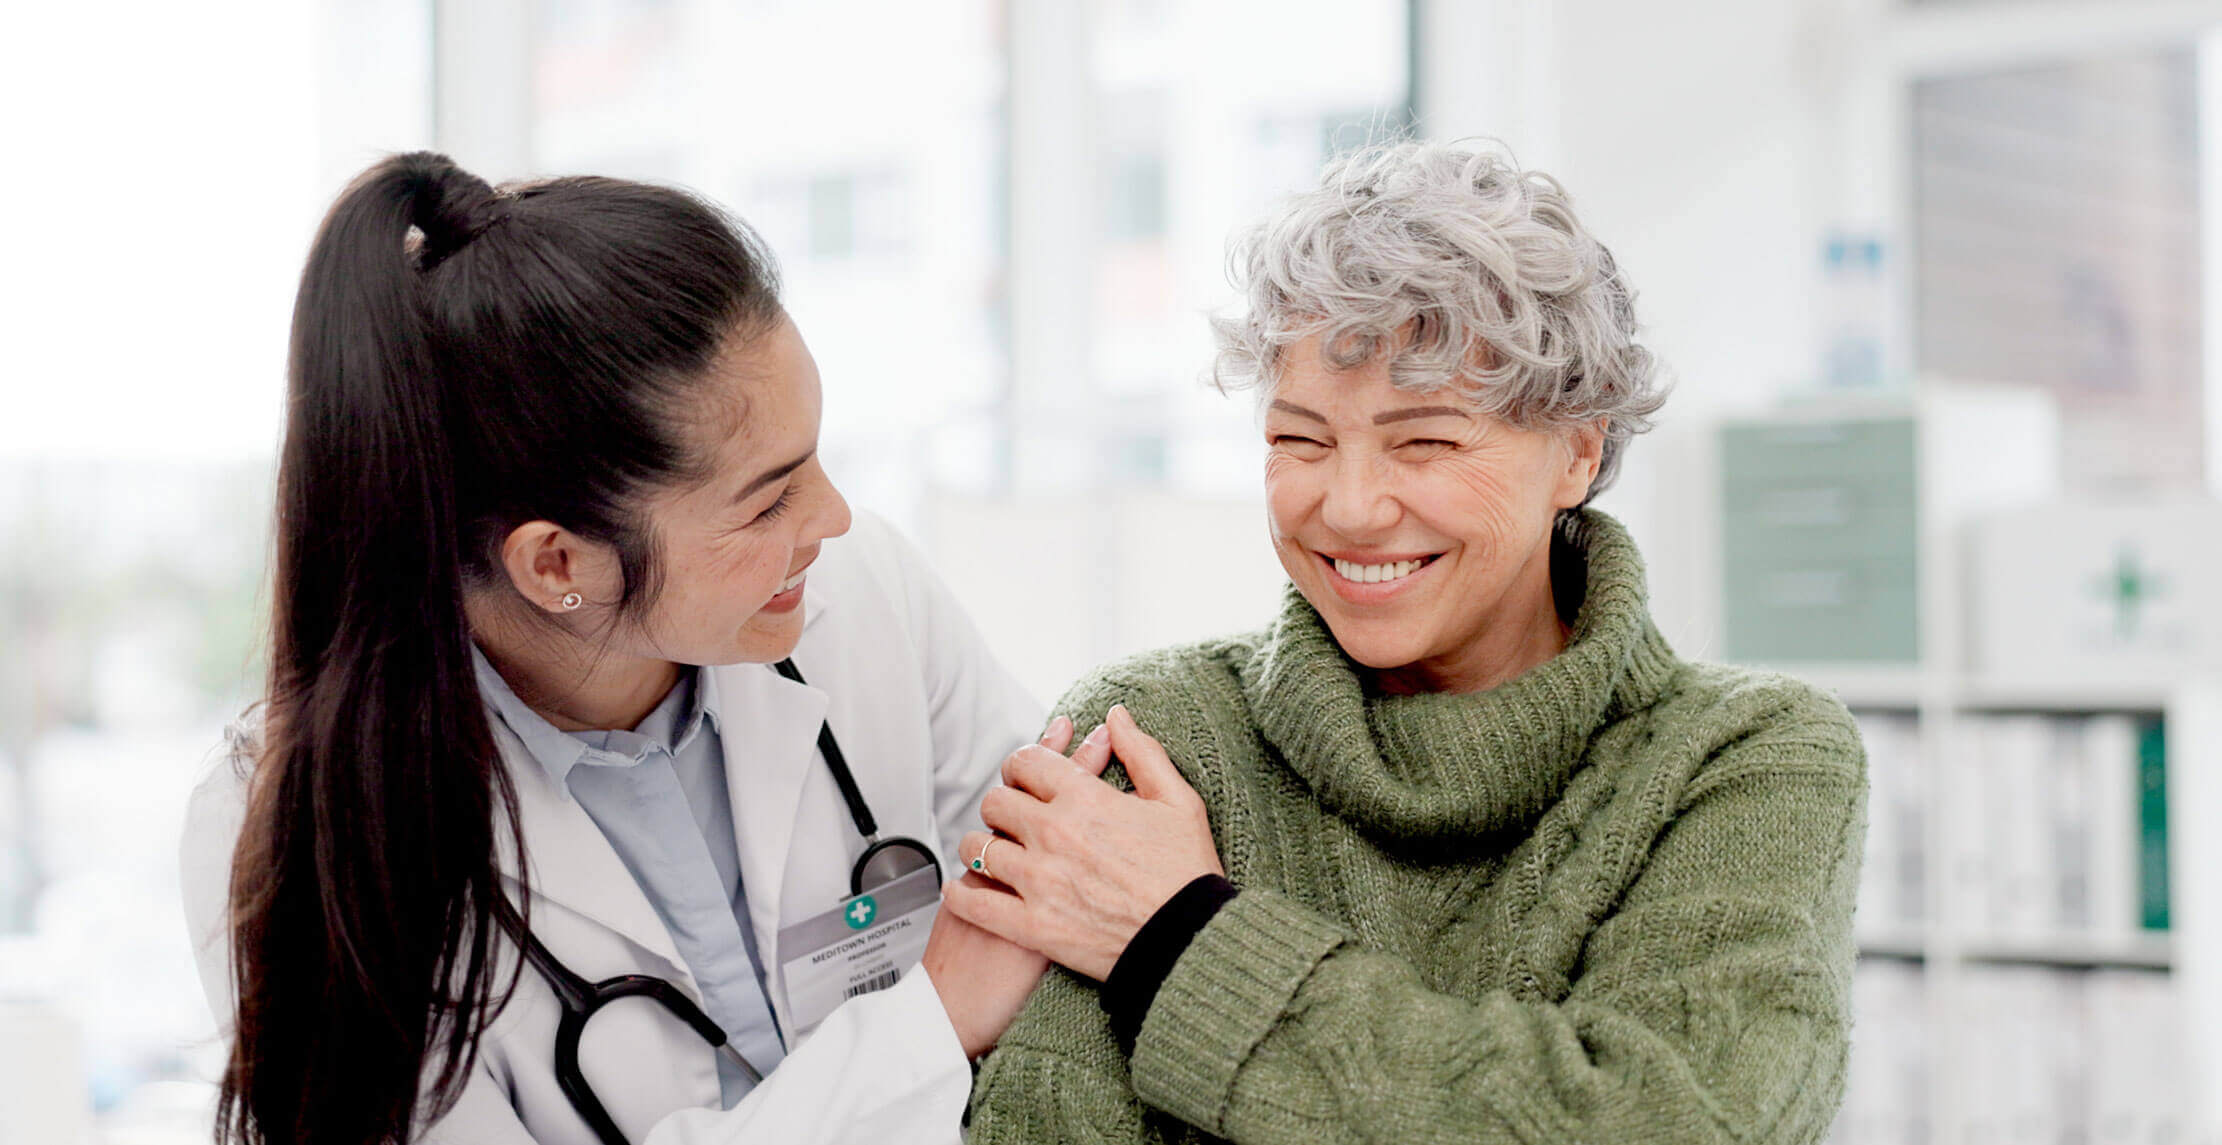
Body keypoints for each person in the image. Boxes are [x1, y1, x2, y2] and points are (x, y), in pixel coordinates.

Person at [951, 141, 1868, 1143]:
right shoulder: (1155, 732)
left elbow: (1674, 1121)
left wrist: (1179, 939)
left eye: (1423, 440)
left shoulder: (1747, 756)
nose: (1346, 506)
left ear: (1578, 448)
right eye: (1298, 440)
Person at [176, 152, 1095, 1145]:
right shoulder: (297, 826)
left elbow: (1062, 910)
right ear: (556, 561)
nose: (829, 516)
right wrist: (926, 1025)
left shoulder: (865, 598)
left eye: (817, 461)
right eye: (767, 498)